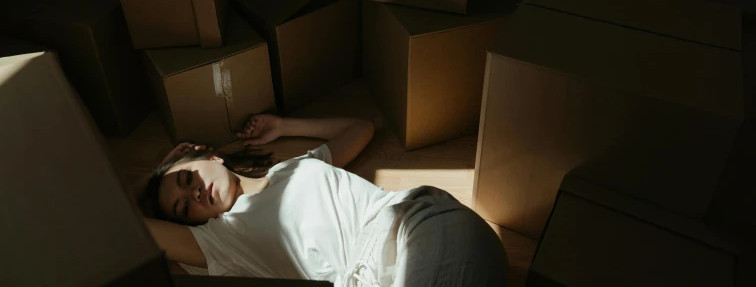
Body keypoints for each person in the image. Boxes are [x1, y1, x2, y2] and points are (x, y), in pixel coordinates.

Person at [139, 114, 507, 286]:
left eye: (187, 178)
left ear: (212, 157)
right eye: (185, 206)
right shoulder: (217, 241)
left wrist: (284, 127)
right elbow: (128, 224)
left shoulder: (293, 168)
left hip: (414, 228)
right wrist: (160, 167)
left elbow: (361, 128)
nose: (195, 193)